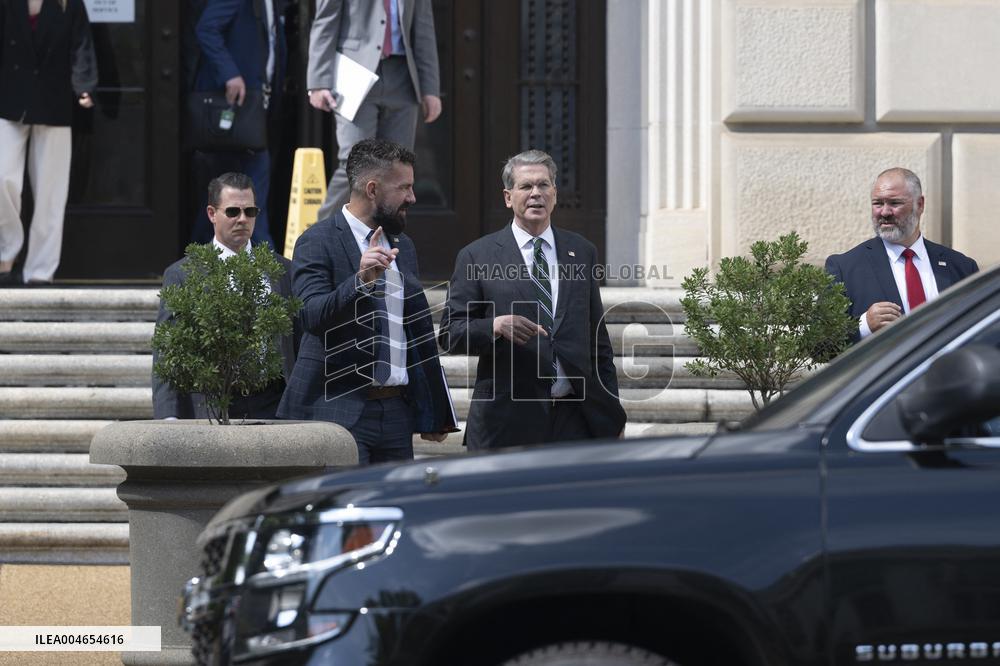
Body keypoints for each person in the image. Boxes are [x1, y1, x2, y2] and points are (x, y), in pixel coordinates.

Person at [277, 139, 456, 465]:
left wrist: (435, 409)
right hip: (339, 414)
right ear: (372, 189)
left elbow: (414, 335)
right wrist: (359, 282)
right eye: (404, 188)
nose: (412, 198)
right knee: (346, 513)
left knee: (396, 512)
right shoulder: (317, 241)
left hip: (396, 414)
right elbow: (310, 316)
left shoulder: (405, 245)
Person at [438, 149, 626, 451]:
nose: (536, 193)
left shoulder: (582, 251)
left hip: (576, 419)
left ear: (555, 194)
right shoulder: (477, 256)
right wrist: (495, 326)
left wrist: (612, 414)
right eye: (526, 186)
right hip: (507, 423)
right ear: (508, 197)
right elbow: (451, 335)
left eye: (544, 185)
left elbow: (598, 344)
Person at [153, 172, 297, 419]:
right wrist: (168, 416)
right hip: (212, 401)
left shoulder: (283, 270)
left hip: (274, 402)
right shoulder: (182, 274)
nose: (242, 219)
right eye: (232, 212)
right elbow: (168, 351)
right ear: (212, 214)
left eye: (249, 212)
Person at [307, 0, 441, 222]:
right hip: (355, 74)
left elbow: (424, 28)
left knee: (398, 167)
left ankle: (389, 241)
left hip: (403, 77)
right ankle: (320, 238)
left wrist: (430, 89)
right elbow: (325, 22)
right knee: (354, 162)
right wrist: (318, 81)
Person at [0, 0, 97, 285]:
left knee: (50, 193)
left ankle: (40, 272)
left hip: (54, 101)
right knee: (2, 178)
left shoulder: (70, 4)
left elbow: (81, 44)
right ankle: (6, 252)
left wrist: (84, 86)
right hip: (8, 99)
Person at [825, 167, 979, 343]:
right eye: (878, 203)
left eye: (894, 203)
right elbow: (821, 347)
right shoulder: (845, 268)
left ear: (919, 205)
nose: (884, 212)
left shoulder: (961, 267)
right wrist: (864, 325)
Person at [187, 0, 286, 248]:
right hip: (233, 113)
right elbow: (206, 29)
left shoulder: (274, 5)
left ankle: (201, 265)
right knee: (235, 199)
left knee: (232, 199)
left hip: (257, 112)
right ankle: (267, 271)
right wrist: (229, 73)